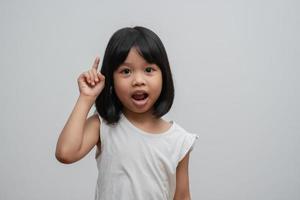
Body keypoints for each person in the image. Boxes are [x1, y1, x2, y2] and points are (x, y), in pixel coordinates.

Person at [55, 26, 199, 200]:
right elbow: (65, 153)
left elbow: (182, 196)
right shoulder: (104, 125)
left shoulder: (179, 140)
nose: (138, 81)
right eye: (126, 71)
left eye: (148, 70)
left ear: (164, 75)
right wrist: (87, 97)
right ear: (111, 79)